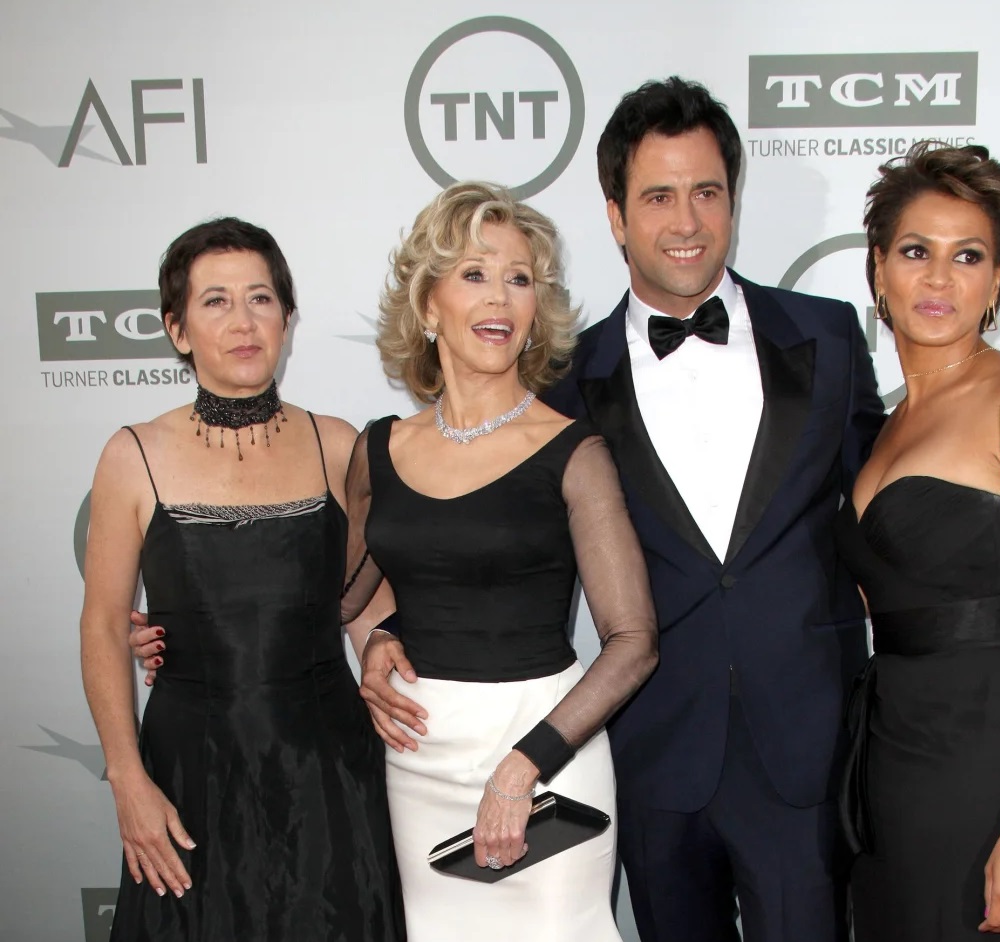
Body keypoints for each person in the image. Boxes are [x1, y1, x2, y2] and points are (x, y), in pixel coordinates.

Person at [370, 76, 875, 942]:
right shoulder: (561, 386)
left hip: (805, 744)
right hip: (647, 752)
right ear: (615, 215)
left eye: (707, 192)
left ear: (733, 201)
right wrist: (384, 630)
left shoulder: (827, 336)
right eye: (658, 197)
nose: (686, 221)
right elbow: (470, 541)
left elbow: (881, 524)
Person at [338, 181, 658, 941]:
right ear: (428, 305)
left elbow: (634, 642)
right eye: (474, 273)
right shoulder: (378, 449)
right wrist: (379, 640)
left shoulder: (572, 451)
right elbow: (347, 598)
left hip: (545, 753)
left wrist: (525, 766)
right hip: (420, 754)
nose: (500, 298)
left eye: (519, 278)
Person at [80, 218, 405, 941]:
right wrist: (127, 779)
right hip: (190, 774)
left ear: (287, 318)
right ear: (178, 329)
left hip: (328, 770)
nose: (243, 322)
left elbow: (364, 608)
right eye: (216, 301)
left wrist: (386, 646)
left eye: (260, 298)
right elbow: (102, 624)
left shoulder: (338, 444)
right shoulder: (133, 455)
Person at [835, 141, 1000, 939]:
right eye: (917, 251)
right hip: (889, 758)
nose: (940, 279)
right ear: (879, 267)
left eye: (969, 256)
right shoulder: (884, 425)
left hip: (988, 755)